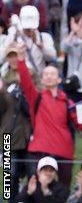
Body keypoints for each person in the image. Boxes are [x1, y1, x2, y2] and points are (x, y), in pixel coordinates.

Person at [16, 46, 78, 187]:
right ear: (42, 79)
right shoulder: (36, 97)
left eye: (52, 74)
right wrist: (21, 59)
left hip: (64, 150)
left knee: (63, 188)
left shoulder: (68, 102)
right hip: (41, 148)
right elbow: (26, 82)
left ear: (59, 79)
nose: (49, 76)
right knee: (38, 187)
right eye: (46, 74)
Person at [0, 55, 33, 202]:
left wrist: (23, 95)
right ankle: (9, 200)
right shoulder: (4, 86)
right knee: (9, 174)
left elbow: (32, 109)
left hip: (28, 137)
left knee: (32, 173)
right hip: (7, 137)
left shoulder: (31, 85)